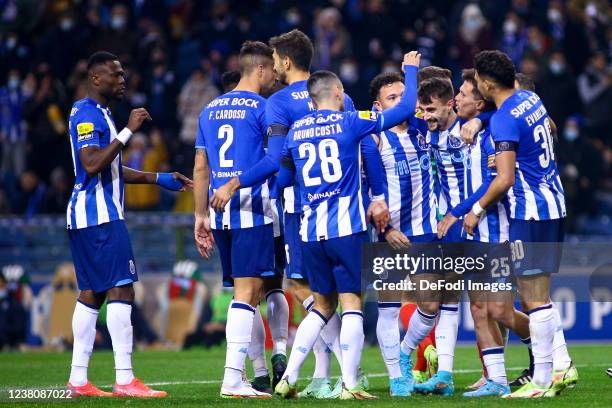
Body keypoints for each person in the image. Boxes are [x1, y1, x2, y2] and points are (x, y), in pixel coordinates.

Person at [274, 51, 420, 400]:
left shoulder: (294, 132)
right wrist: (411, 71)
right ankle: (350, 385)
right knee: (352, 302)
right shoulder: (351, 121)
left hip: (310, 231)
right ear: (338, 93)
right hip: (346, 228)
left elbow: (281, 180)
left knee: (323, 306)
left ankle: (289, 377)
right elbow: (405, 109)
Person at [65, 51, 191, 398]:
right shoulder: (87, 113)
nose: (122, 80)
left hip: (93, 216)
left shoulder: (99, 112)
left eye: (123, 75)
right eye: (115, 75)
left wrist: (157, 178)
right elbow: (91, 164)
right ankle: (125, 379)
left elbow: (112, 168)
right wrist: (127, 132)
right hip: (99, 215)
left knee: (93, 293)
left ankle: (78, 380)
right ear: (96, 79)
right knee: (122, 288)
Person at [471, 50, 574, 398]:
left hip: (529, 212)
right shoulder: (531, 98)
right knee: (539, 296)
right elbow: (551, 129)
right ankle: (551, 373)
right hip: (555, 203)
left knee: (535, 299)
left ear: (486, 83)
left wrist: (476, 210)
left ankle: (542, 381)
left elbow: (504, 180)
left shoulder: (502, 120)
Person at [192, 41, 277, 398]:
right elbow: (273, 160)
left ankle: (239, 375)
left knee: (251, 291)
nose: (275, 76)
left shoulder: (209, 109)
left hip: (219, 213)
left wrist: (199, 216)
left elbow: (200, 166)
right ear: (259, 70)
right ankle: (231, 379)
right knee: (247, 293)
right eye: (272, 69)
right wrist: (234, 183)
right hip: (251, 210)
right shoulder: (263, 108)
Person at [365, 71, 439, 396]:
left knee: (431, 303)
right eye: (392, 98)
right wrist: (386, 228)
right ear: (378, 106)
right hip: (388, 235)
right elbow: (366, 187)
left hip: (424, 230)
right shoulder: (375, 138)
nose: (400, 103)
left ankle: (406, 352)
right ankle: (397, 377)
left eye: (402, 96)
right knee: (389, 308)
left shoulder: (424, 129)